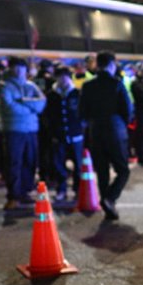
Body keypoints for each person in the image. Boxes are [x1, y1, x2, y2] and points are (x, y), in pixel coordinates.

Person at [80, 51, 133, 221]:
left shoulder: (88, 86)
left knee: (102, 171)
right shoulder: (116, 84)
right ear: (111, 65)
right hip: (114, 130)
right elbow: (127, 109)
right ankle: (110, 199)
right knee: (123, 170)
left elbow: (82, 112)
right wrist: (122, 123)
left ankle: (107, 204)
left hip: (95, 131)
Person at [0, 56, 46, 210]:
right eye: (15, 67)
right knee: (14, 162)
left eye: (21, 67)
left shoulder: (31, 85)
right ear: (10, 69)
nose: (19, 71)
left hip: (31, 129)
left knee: (30, 161)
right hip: (13, 129)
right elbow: (9, 107)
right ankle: (13, 195)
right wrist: (30, 108)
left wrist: (23, 101)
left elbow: (42, 103)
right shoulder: (4, 86)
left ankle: (25, 191)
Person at [42, 66, 84, 202]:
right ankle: (61, 189)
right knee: (59, 164)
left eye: (66, 77)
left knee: (78, 164)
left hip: (76, 134)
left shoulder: (77, 93)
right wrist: (50, 130)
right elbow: (46, 115)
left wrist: (82, 126)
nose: (63, 80)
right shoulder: (51, 95)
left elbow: (85, 112)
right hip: (58, 135)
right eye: (60, 77)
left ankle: (78, 189)